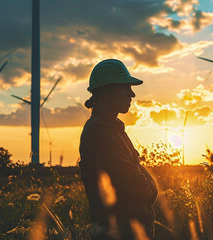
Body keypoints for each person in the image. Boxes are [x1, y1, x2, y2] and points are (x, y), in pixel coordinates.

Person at [79, 59, 158, 240]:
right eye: (125, 88)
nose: (131, 94)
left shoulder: (112, 128)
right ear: (107, 89)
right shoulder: (98, 131)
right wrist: (152, 189)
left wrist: (143, 178)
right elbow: (134, 184)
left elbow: (136, 172)